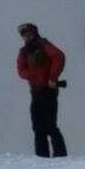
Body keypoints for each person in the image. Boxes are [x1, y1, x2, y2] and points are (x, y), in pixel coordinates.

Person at [16, 23, 68, 158]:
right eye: (24, 35)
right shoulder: (23, 52)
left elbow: (59, 56)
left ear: (34, 33)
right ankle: (41, 158)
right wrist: (33, 74)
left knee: (50, 125)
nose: (26, 37)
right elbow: (21, 71)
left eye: (29, 34)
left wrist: (52, 77)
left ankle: (61, 156)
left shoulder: (44, 45)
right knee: (38, 127)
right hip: (36, 91)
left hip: (48, 90)